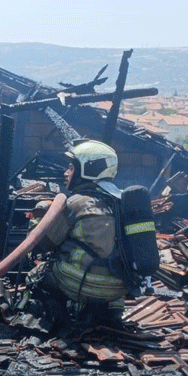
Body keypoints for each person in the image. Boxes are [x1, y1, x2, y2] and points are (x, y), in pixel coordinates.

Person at [33, 140, 127, 326]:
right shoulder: (123, 202)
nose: (66, 173)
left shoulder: (76, 203)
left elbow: (42, 244)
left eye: (71, 167)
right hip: (119, 289)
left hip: (83, 284)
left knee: (38, 274)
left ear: (88, 169)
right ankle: (110, 312)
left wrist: (39, 216)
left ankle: (58, 319)